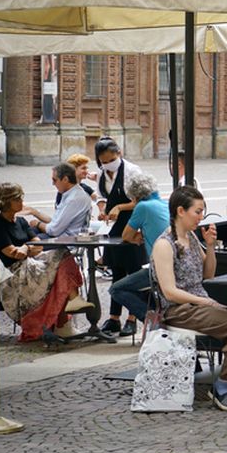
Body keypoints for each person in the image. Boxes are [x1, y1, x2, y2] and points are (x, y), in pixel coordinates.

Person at [153, 186, 227, 411]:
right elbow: (169, 291)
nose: (201, 217)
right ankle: (223, 385)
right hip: (179, 310)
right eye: (197, 211)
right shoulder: (164, 244)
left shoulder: (191, 239)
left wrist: (209, 246)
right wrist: (202, 301)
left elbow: (208, 274)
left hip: (199, 304)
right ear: (181, 211)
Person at [0, 182, 87, 343]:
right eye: (17, 199)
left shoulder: (21, 221)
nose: (21, 202)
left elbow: (36, 244)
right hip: (10, 272)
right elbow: (12, 254)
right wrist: (27, 249)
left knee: (62, 254)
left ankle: (71, 305)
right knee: (56, 274)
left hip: (30, 262)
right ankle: (62, 323)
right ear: (5, 202)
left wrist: (25, 248)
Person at [94, 137, 147, 337]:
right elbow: (101, 196)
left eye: (111, 159)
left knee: (133, 273)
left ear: (120, 154)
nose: (108, 164)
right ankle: (114, 318)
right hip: (113, 227)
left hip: (133, 223)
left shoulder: (132, 171)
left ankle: (132, 319)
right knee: (116, 271)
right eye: (104, 161)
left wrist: (119, 207)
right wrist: (103, 209)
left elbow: (141, 200)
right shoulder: (102, 174)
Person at [110, 173, 171, 323]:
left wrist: (137, 235)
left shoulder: (143, 207)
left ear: (134, 196)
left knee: (116, 289)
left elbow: (126, 236)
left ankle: (153, 321)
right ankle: (156, 312)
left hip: (158, 268)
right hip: (172, 263)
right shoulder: (165, 204)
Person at [23, 162, 93, 239]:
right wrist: (34, 213)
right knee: (25, 232)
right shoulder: (70, 193)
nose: (53, 183)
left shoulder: (74, 199)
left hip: (65, 240)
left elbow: (54, 230)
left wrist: (38, 224)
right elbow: (55, 222)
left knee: (27, 240)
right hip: (60, 235)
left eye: (55, 180)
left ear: (65, 179)